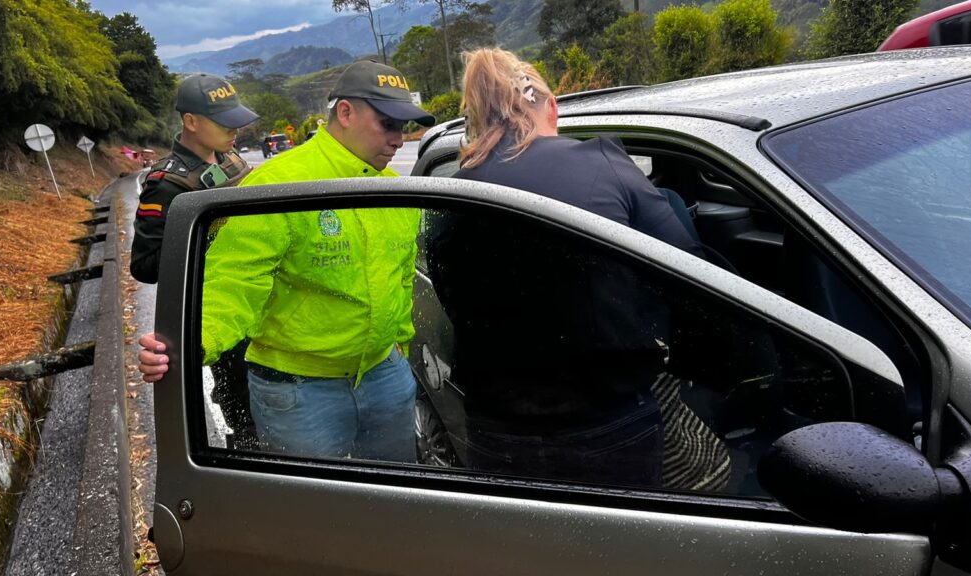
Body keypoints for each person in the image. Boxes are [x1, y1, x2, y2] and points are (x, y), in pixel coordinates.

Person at [426, 47, 727, 489]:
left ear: (482, 118)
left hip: (495, 426)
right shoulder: (602, 163)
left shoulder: (456, 193)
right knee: (621, 549)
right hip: (607, 423)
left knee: (522, 552)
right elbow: (691, 278)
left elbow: (452, 295)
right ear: (551, 106)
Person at [138, 60, 436, 463]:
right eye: (389, 124)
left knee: (393, 508)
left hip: (385, 376)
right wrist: (188, 344)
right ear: (345, 113)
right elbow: (235, 281)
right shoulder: (280, 184)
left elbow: (400, 280)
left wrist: (398, 351)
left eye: (405, 127)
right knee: (314, 517)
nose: (400, 139)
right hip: (301, 392)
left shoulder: (396, 193)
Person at [131, 73, 258, 449]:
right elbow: (146, 264)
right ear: (191, 122)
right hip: (219, 312)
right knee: (248, 419)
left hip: (259, 300)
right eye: (225, 122)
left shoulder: (231, 159)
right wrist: (209, 235)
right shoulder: (166, 185)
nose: (236, 130)